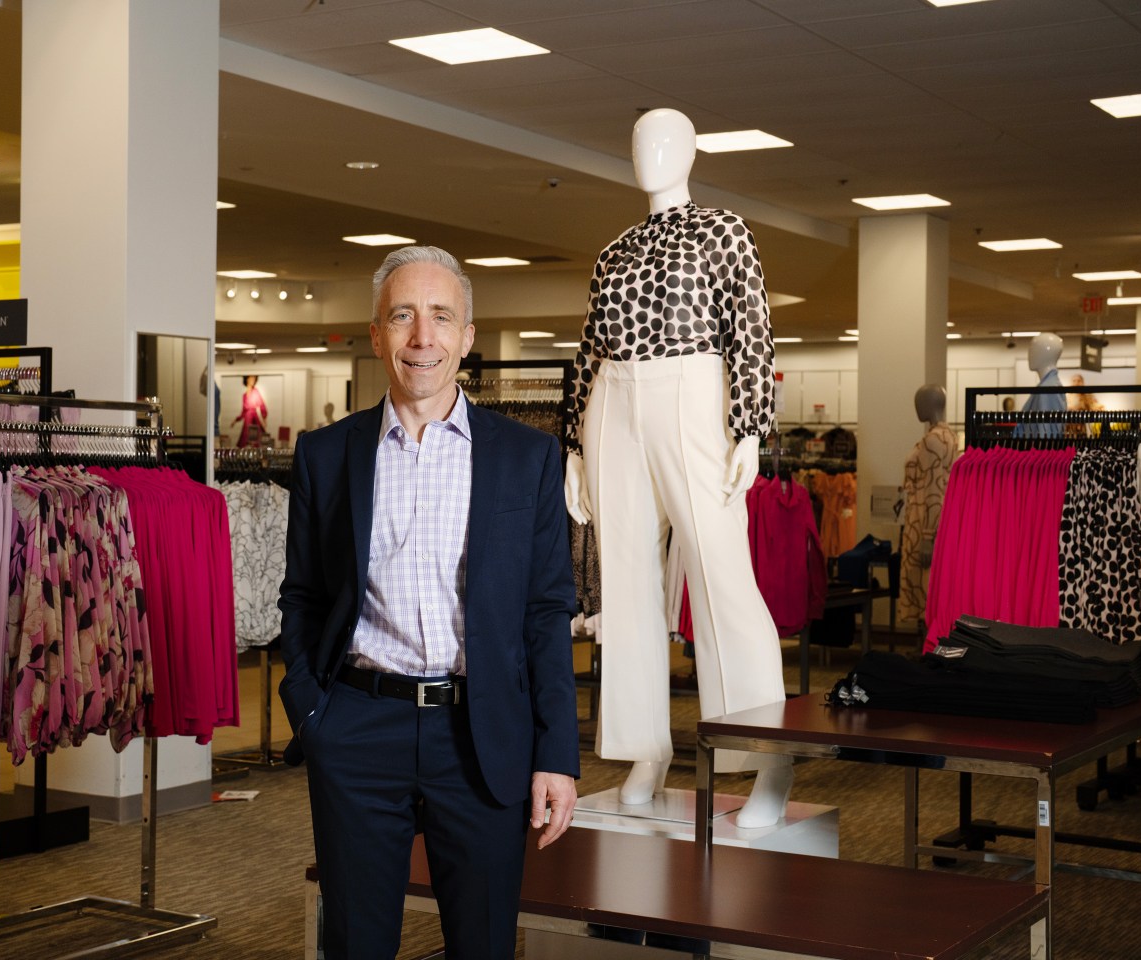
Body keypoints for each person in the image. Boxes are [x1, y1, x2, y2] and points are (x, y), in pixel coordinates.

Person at [278, 245, 579, 959]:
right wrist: (312, 713)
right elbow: (302, 596)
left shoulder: (527, 458)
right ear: (377, 333)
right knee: (357, 943)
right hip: (356, 728)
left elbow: (546, 612)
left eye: (442, 317)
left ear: (468, 337)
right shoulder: (326, 454)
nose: (423, 338)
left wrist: (557, 753)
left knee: (480, 943)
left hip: (480, 735)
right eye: (404, 316)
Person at [562, 107, 793, 826]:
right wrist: (573, 442)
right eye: (637, 140)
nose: (648, 152)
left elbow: (753, 329)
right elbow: (588, 349)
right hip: (615, 397)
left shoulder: (724, 231)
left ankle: (766, 755)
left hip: (694, 389)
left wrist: (750, 426)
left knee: (722, 575)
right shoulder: (615, 251)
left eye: (663, 141)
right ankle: (645, 748)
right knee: (625, 584)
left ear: (692, 152)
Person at [900, 384, 957, 625]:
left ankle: (927, 648)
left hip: (924, 523)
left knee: (925, 588)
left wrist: (925, 536)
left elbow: (933, 491)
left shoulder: (932, 441)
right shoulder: (949, 436)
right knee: (932, 587)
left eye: (919, 402)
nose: (916, 407)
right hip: (937, 522)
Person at [232, 373, 268, 447]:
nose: (253, 380)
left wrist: (264, 418)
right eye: (251, 378)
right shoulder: (244, 395)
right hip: (247, 419)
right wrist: (236, 420)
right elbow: (243, 412)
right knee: (246, 437)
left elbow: (261, 405)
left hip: (254, 418)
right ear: (247, 379)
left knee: (256, 437)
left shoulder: (255, 391)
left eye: (254, 379)